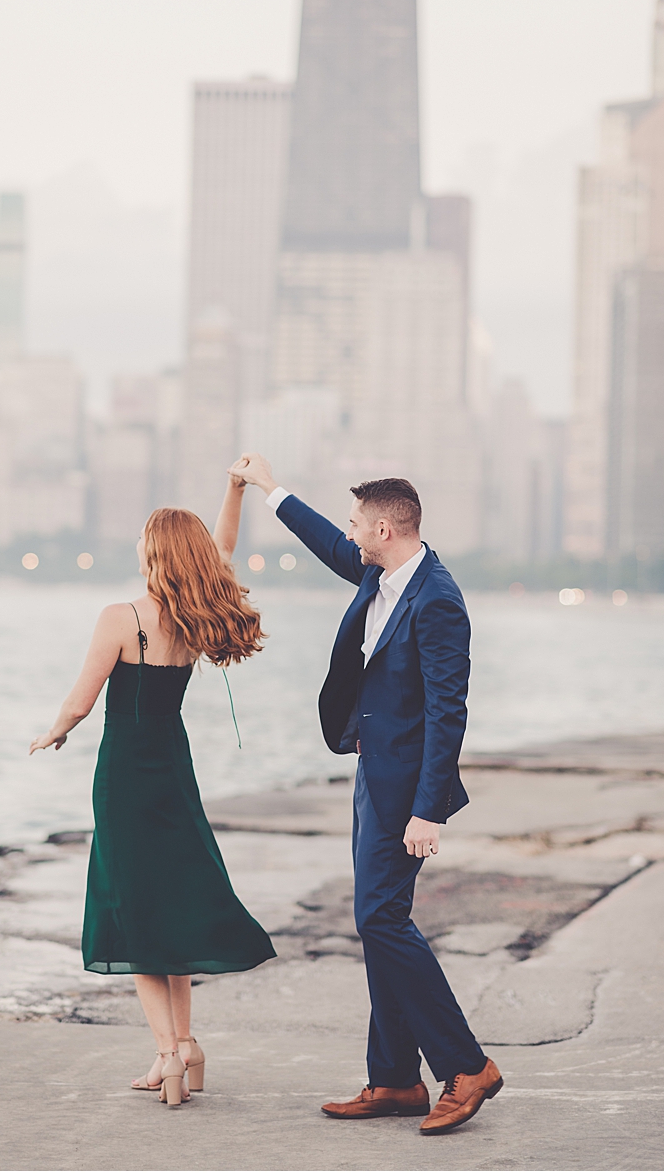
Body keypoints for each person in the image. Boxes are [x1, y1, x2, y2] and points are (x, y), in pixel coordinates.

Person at [227, 452, 503, 1136]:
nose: (349, 534)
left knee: (380, 919)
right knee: (379, 920)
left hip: (406, 789)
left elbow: (449, 711)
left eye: (358, 525)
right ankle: (395, 1078)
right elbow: (325, 540)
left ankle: (466, 1067)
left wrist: (428, 808)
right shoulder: (378, 571)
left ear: (385, 529)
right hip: (370, 773)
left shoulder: (437, 600)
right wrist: (268, 487)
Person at [30, 472, 276, 1108]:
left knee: (134, 913)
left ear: (154, 553)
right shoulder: (196, 617)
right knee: (170, 904)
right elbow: (220, 551)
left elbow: (81, 702)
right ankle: (187, 1045)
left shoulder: (121, 617)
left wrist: (52, 732)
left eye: (144, 539)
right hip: (175, 770)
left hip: (125, 779)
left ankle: (167, 1057)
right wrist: (237, 490)